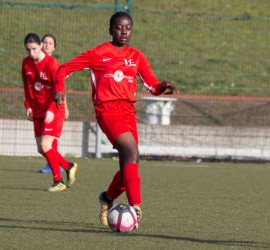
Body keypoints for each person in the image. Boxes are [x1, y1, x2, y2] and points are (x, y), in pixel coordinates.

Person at [54, 12, 176, 227]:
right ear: (110, 29)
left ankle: (107, 198)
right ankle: (135, 207)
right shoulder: (97, 54)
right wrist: (59, 89)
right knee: (131, 153)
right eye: (119, 27)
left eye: (128, 28)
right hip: (107, 111)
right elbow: (63, 69)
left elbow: (152, 86)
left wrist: (161, 88)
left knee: (130, 163)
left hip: (128, 112)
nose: (124, 31)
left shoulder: (136, 56)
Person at [21, 33, 78, 192]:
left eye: (34, 49)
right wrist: (28, 107)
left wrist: (53, 109)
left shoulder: (52, 63)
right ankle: (68, 166)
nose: (31, 53)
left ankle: (58, 181)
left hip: (53, 109)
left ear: (40, 46)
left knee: (46, 145)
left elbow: (60, 88)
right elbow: (27, 87)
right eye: (28, 50)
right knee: (41, 148)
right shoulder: (26, 63)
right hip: (38, 110)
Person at [38, 34, 69, 174]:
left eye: (50, 43)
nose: (46, 45)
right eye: (44, 42)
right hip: (41, 106)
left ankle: (56, 165)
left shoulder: (53, 64)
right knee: (44, 142)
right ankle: (55, 164)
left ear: (54, 48)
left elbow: (60, 88)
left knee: (48, 139)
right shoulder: (35, 64)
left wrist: (65, 107)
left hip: (53, 106)